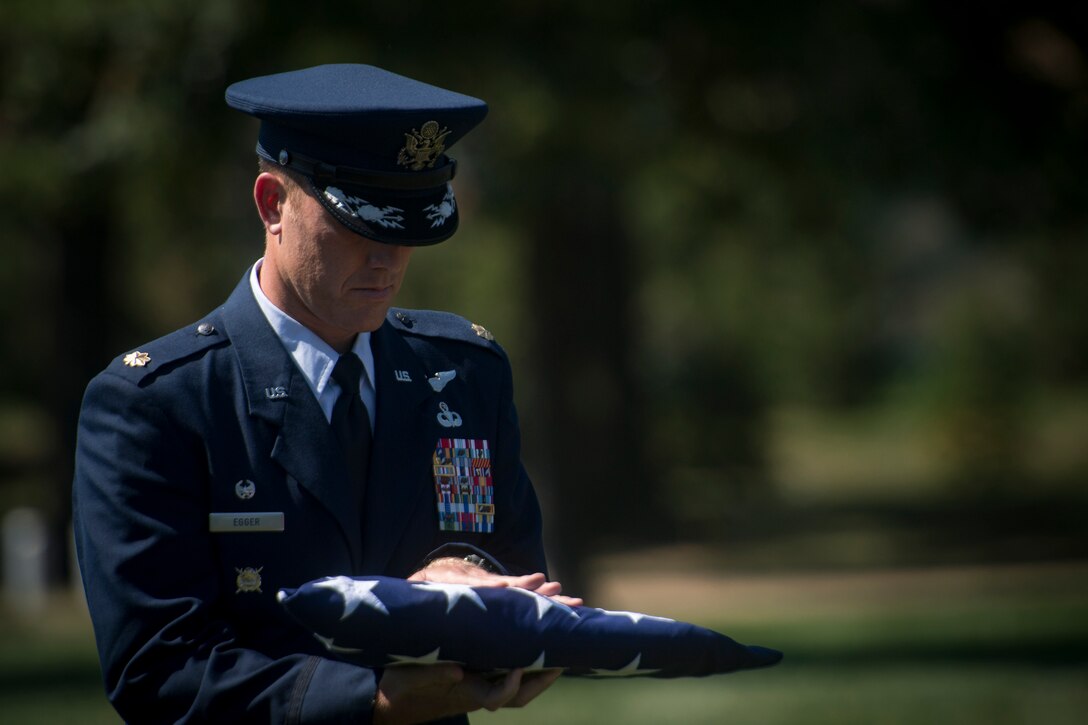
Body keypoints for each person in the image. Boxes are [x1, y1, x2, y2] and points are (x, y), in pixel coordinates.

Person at [72, 63, 578, 724]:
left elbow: (513, 567)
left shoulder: (463, 371)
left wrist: (468, 585)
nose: (387, 255)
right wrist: (373, 699)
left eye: (409, 225)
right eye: (358, 222)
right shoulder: (159, 402)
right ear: (271, 203)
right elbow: (157, 666)